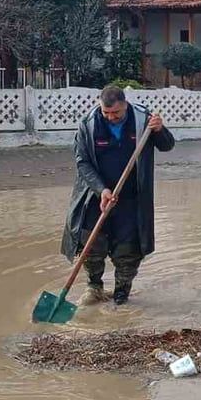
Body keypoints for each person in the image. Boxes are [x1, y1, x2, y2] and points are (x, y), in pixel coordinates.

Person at [60, 85, 174, 306]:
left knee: (128, 248)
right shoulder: (88, 124)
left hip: (132, 197)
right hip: (95, 196)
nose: (111, 117)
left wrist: (160, 130)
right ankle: (94, 288)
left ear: (125, 105)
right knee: (91, 245)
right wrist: (101, 190)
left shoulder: (144, 120)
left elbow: (167, 146)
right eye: (106, 113)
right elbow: (82, 162)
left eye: (116, 113)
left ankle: (122, 294)